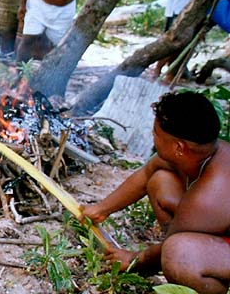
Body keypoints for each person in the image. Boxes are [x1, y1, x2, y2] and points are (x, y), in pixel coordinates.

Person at [81, 91, 230, 294]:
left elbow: (171, 245)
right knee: (160, 181)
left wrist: (134, 259)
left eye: (156, 134)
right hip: (207, 225)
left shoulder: (210, 194)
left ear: (179, 147)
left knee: (178, 254)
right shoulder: (199, 153)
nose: (153, 137)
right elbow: (146, 173)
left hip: (211, 230)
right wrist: (101, 209)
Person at [153, 0, 215, 82]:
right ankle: (157, 71)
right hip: (178, 10)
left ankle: (174, 73)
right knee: (172, 44)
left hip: (189, 11)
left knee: (182, 45)